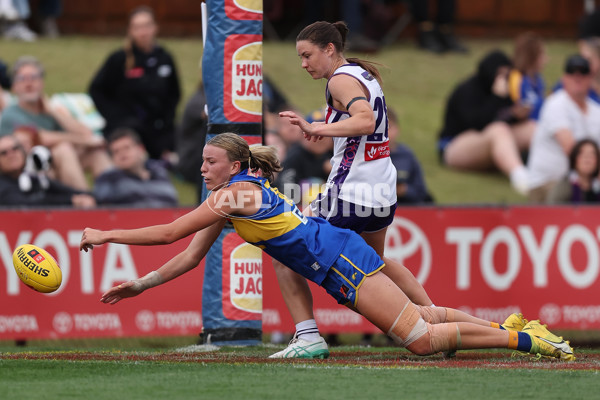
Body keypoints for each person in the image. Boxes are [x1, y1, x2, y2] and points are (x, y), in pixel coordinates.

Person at [79, 133, 575, 362]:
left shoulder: (235, 194)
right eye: (202, 162)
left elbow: (169, 232)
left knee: (420, 340)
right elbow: (189, 255)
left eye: (210, 162)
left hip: (337, 258)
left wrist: (103, 235)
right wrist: (140, 285)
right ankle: (508, 326)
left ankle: (525, 340)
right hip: (333, 255)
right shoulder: (230, 195)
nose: (202, 168)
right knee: (421, 324)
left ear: (231, 166)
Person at [275, 20, 434, 359]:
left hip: (350, 193)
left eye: (307, 55)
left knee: (284, 253)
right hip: (381, 191)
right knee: (376, 263)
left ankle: (307, 336)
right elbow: (364, 125)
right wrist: (332, 129)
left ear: (329, 49)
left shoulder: (339, 80)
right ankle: (434, 319)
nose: (303, 64)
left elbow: (366, 120)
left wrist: (318, 125)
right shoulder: (362, 75)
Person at [0, 56, 111, 191]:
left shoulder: (50, 110)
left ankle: (115, 203)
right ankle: (86, 205)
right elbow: (39, 137)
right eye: (22, 79)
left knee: (96, 154)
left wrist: (53, 111)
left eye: (34, 77)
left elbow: (87, 133)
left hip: (55, 165)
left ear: (42, 83)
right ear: (14, 86)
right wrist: (84, 141)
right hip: (29, 171)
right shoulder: (10, 114)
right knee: (63, 149)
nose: (29, 83)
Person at [89, 5, 181, 163]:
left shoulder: (164, 58)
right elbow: (96, 90)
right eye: (137, 27)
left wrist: (166, 120)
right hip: (128, 126)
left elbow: (174, 93)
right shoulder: (120, 59)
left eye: (147, 26)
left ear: (155, 28)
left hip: (159, 126)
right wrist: (116, 118)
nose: (143, 32)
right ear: (130, 30)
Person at [437, 49, 532, 195]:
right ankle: (520, 178)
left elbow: (503, 118)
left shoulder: (505, 89)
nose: (503, 78)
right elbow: (477, 124)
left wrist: (516, 115)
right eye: (500, 74)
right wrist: (496, 97)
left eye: (506, 74)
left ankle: (550, 173)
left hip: (491, 141)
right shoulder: (467, 90)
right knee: (498, 129)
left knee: (532, 127)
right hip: (456, 147)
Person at [527, 54, 600, 203]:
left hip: (583, 182)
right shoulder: (556, 104)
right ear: (564, 78)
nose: (577, 77)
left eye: (583, 73)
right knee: (571, 189)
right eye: (572, 72)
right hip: (546, 183)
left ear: (590, 78)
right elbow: (573, 152)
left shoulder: (595, 110)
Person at [0, 134, 96, 208]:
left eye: (15, 148)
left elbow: (66, 191)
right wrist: (71, 201)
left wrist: (88, 197)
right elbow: (24, 205)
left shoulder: (33, 177)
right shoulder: (3, 185)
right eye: (4, 153)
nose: (11, 154)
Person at [93, 128, 178, 208]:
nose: (122, 153)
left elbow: (174, 206)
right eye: (116, 151)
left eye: (126, 148)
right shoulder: (108, 177)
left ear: (141, 149)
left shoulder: (160, 173)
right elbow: (102, 211)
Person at [387, 107, 433, 204]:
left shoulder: (407, 155)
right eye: (380, 128)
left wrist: (404, 190)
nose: (385, 132)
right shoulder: (366, 155)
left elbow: (421, 192)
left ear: (397, 129)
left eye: (389, 127)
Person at [508, 32, 547, 122]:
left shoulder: (538, 79)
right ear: (531, 57)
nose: (546, 59)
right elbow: (515, 111)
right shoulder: (515, 78)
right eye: (542, 55)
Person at [547, 139, 600, 204]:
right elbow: (552, 210)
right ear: (574, 159)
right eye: (582, 154)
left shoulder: (597, 186)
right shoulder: (564, 186)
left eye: (592, 154)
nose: (587, 158)